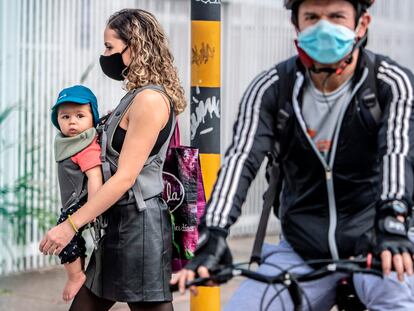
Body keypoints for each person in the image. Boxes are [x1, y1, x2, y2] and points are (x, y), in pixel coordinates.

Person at [172, 0, 414, 310]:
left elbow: (397, 152)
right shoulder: (272, 88)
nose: (323, 26)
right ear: (296, 25)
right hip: (300, 250)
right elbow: (240, 160)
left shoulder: (390, 83)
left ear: (362, 23)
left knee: (398, 301)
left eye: (336, 16)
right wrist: (214, 233)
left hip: (376, 245)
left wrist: (393, 221)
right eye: (311, 17)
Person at [39, 8, 186, 311]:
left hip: (140, 230)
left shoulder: (149, 100)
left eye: (109, 47)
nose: (104, 55)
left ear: (134, 47)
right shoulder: (134, 96)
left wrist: (70, 226)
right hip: (120, 225)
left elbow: (125, 177)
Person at [49, 85, 102, 302]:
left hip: (84, 202)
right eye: (65, 116)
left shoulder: (86, 146)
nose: (72, 122)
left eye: (80, 116)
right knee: (73, 238)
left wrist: (94, 209)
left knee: (65, 239)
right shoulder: (68, 143)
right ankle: (79, 270)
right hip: (73, 201)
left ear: (92, 118)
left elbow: (95, 178)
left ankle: (76, 276)